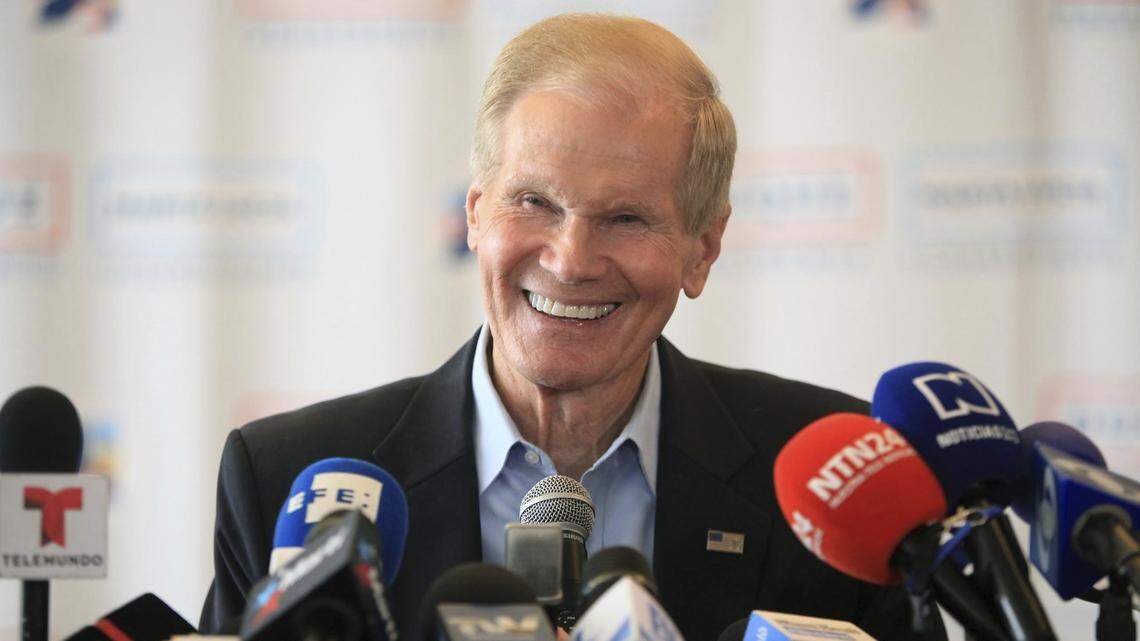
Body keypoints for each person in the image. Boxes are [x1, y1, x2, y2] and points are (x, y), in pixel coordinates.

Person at [200, 13, 945, 641]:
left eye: (625, 217)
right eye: (533, 202)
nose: (570, 259)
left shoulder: (838, 482)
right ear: (474, 215)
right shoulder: (285, 480)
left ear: (702, 249)